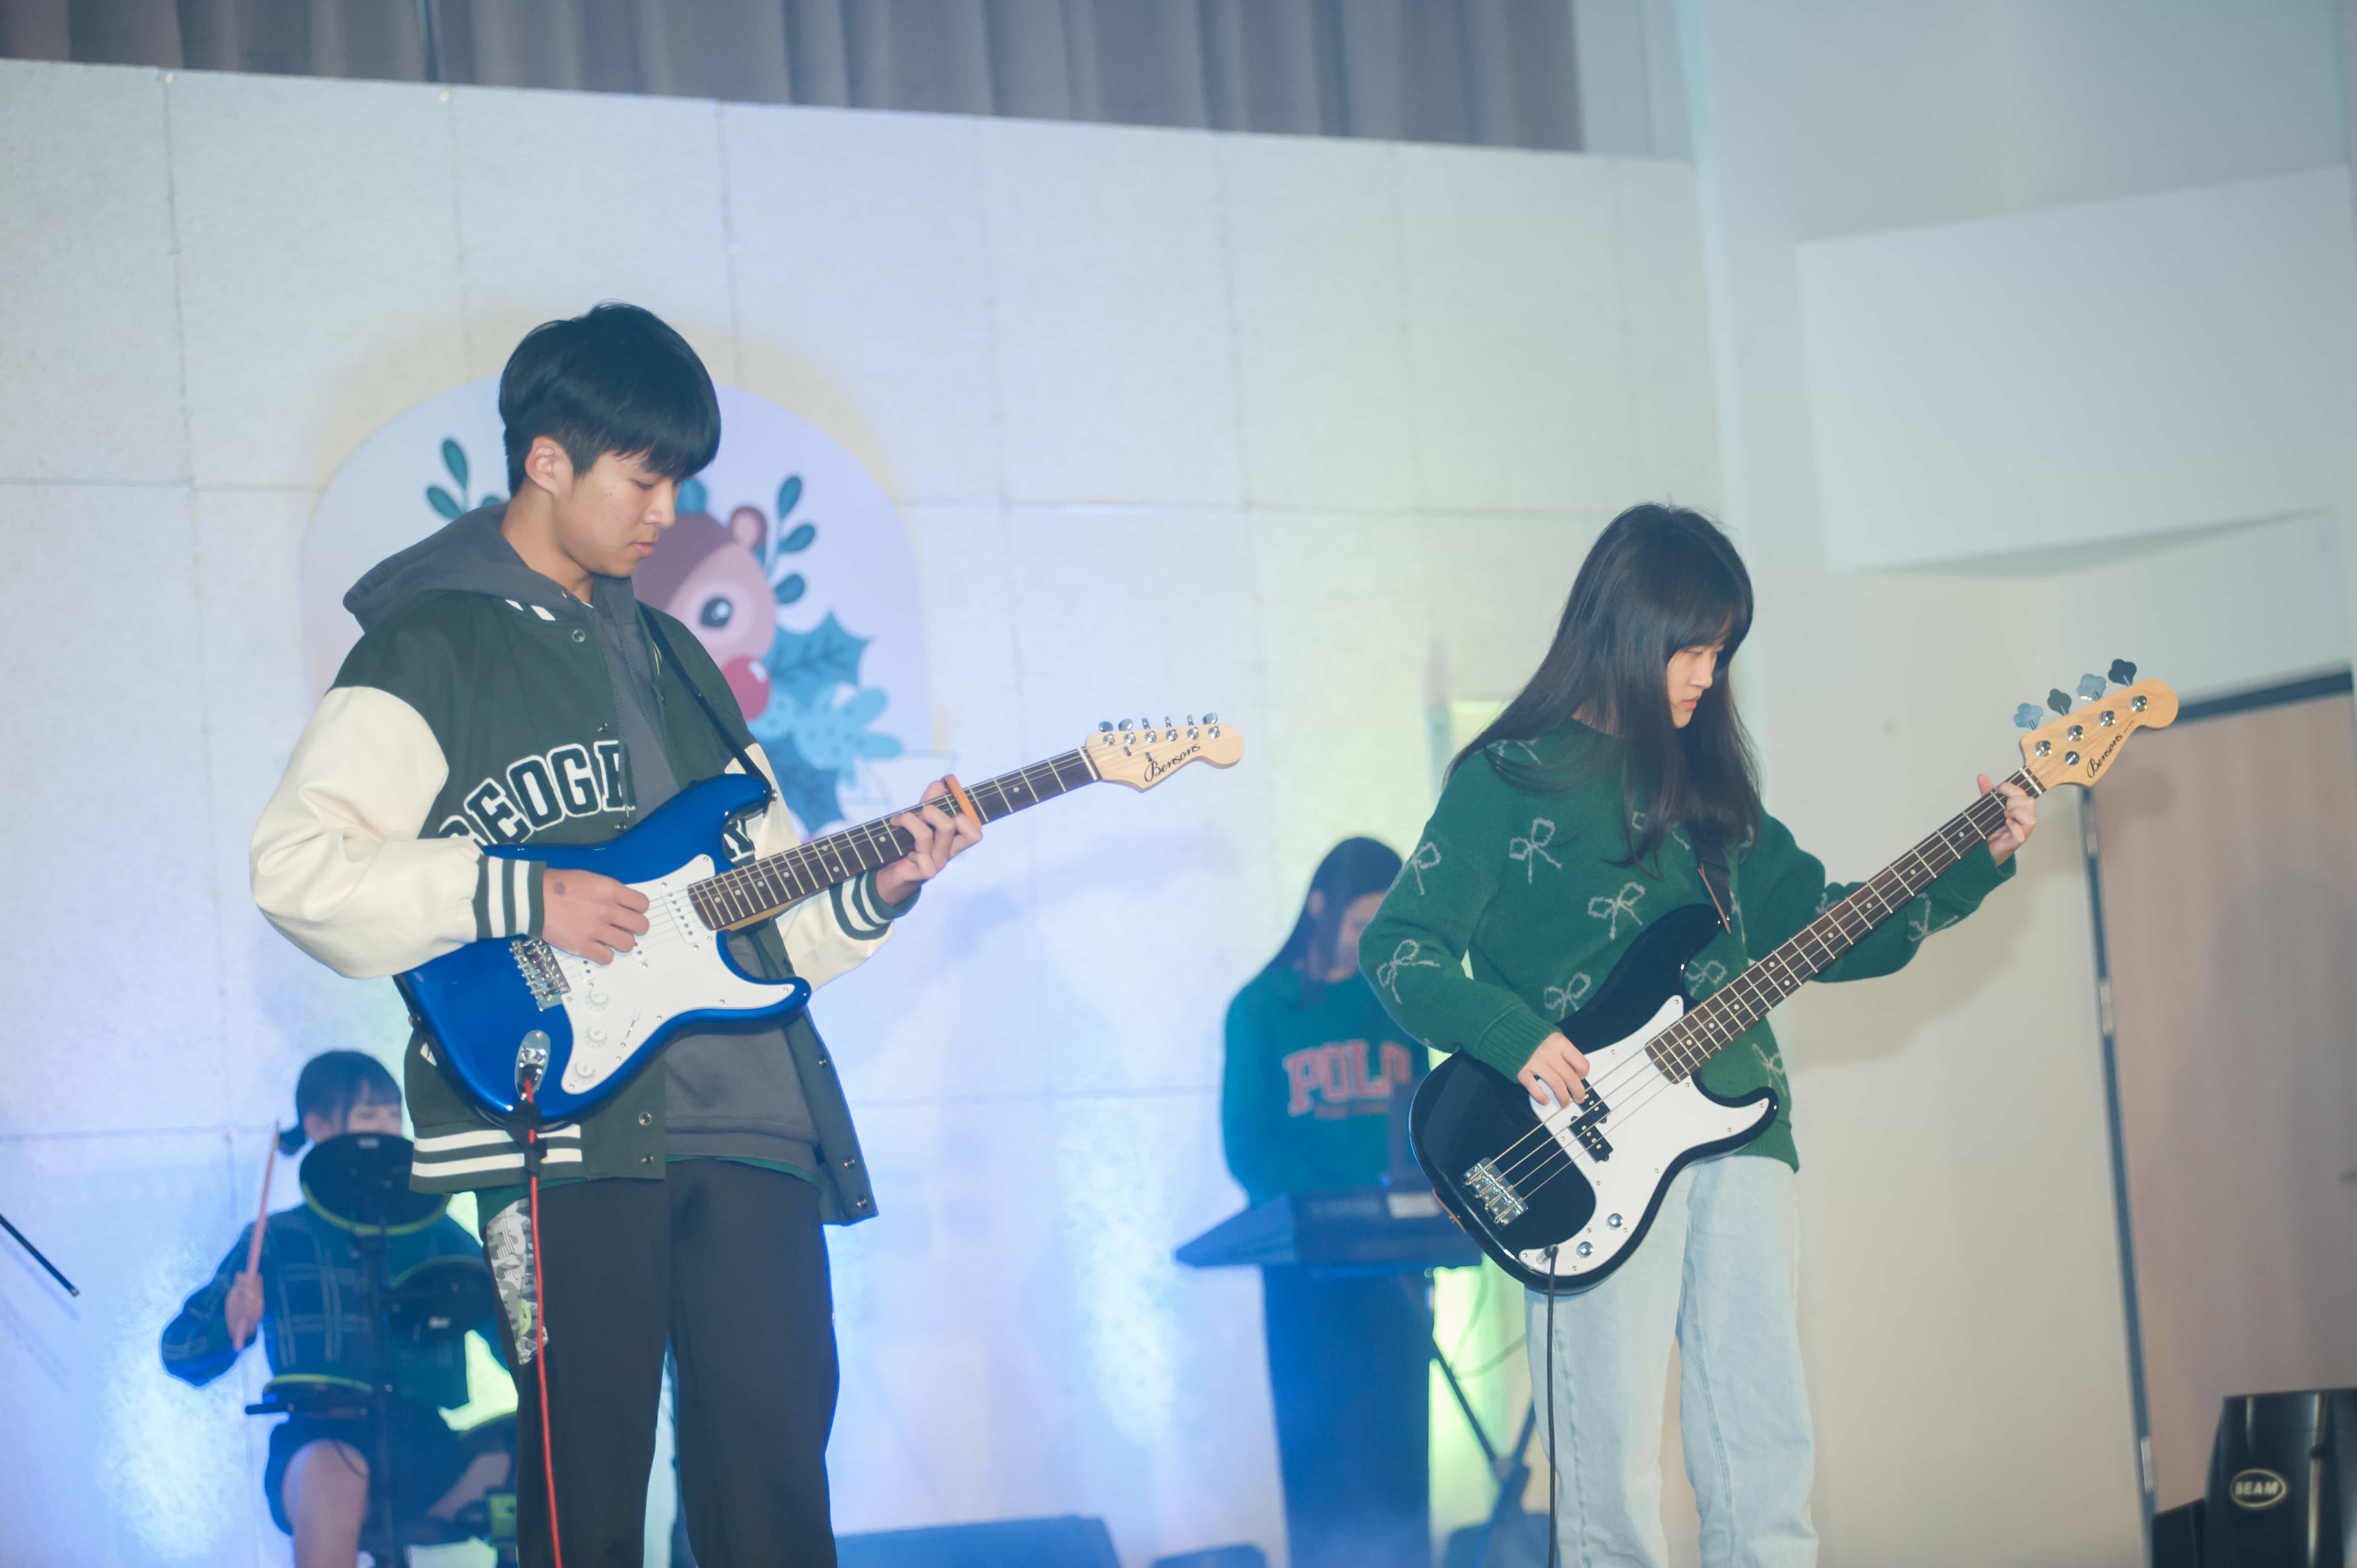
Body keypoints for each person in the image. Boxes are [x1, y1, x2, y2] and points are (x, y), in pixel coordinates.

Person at [249, 302, 980, 1568]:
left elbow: (776, 915)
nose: (667, 513)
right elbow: (299, 868)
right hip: (564, 1138)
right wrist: (521, 894)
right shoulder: (432, 644)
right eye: (645, 480)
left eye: (680, 482)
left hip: (755, 1125)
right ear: (548, 458)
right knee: (581, 1500)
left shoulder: (679, 656)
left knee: (776, 1494)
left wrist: (884, 887)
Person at [1358, 504, 2036, 1568]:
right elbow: (1400, 946)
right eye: (1694, 650)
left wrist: (1973, 863)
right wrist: (1513, 1035)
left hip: (1746, 1134)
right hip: (1579, 1148)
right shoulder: (1507, 779)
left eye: (1722, 655)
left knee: (1765, 1453)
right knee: (1609, 1472)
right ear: (1628, 630)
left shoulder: (1713, 792)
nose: (1709, 677)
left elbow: (1825, 931)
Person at [161, 1051, 513, 1568]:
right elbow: (179, 1351)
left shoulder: (438, 1233)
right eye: (370, 1115)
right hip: (319, 1439)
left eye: (393, 1115)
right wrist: (230, 1325)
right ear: (319, 1127)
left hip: (425, 1449)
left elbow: (518, 1340)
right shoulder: (278, 1238)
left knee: (557, 1448)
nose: (388, 1129)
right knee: (331, 1476)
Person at [1221, 836, 1429, 1568]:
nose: (1370, 942)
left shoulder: (1398, 1006)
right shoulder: (1260, 1008)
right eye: (1360, 924)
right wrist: (1330, 1206)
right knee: (1320, 1454)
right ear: (1319, 908)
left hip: (1398, 1262)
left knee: (1400, 1452)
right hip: (1305, 1266)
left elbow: (1426, 1126)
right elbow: (1247, 1148)